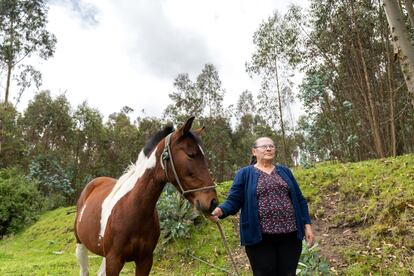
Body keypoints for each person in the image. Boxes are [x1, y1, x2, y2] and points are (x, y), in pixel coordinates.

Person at [209, 137, 314, 276]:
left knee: (288, 273)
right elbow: (234, 200)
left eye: (271, 146)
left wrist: (307, 225)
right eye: (264, 146)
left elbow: (300, 200)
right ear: (254, 151)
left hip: (290, 235)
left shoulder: (285, 172)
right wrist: (220, 211)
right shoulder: (245, 174)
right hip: (260, 238)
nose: (269, 148)